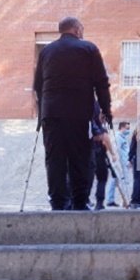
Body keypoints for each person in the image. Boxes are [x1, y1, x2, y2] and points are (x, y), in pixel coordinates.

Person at [33, 16, 112, 211]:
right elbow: (101, 83)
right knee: (80, 157)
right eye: (82, 29)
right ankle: (79, 202)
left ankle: (57, 202)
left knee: (54, 158)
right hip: (78, 113)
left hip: (51, 114)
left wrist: (42, 114)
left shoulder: (46, 52)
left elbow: (38, 85)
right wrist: (106, 110)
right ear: (77, 30)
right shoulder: (89, 49)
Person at [89, 100, 118, 211]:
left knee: (90, 177)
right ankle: (99, 202)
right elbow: (105, 138)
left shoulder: (92, 122)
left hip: (91, 152)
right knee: (102, 177)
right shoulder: (99, 126)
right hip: (99, 153)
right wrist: (113, 154)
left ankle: (87, 200)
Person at [106, 121, 131, 207]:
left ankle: (110, 200)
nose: (128, 130)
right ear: (122, 127)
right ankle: (126, 201)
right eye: (127, 128)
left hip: (122, 162)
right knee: (124, 181)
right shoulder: (118, 137)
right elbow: (117, 151)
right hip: (121, 164)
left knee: (114, 180)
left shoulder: (122, 137)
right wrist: (122, 163)